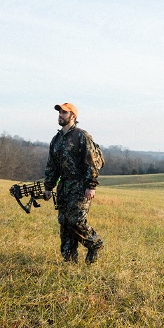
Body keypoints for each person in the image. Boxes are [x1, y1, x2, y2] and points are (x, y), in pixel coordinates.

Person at [43, 102, 104, 264]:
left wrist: (91, 185)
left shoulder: (81, 136)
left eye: (64, 112)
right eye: (60, 112)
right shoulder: (56, 140)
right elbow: (52, 165)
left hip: (80, 185)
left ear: (73, 116)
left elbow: (91, 161)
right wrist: (48, 187)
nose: (61, 115)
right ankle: (69, 259)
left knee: (76, 220)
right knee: (64, 222)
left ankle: (94, 243)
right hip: (64, 186)